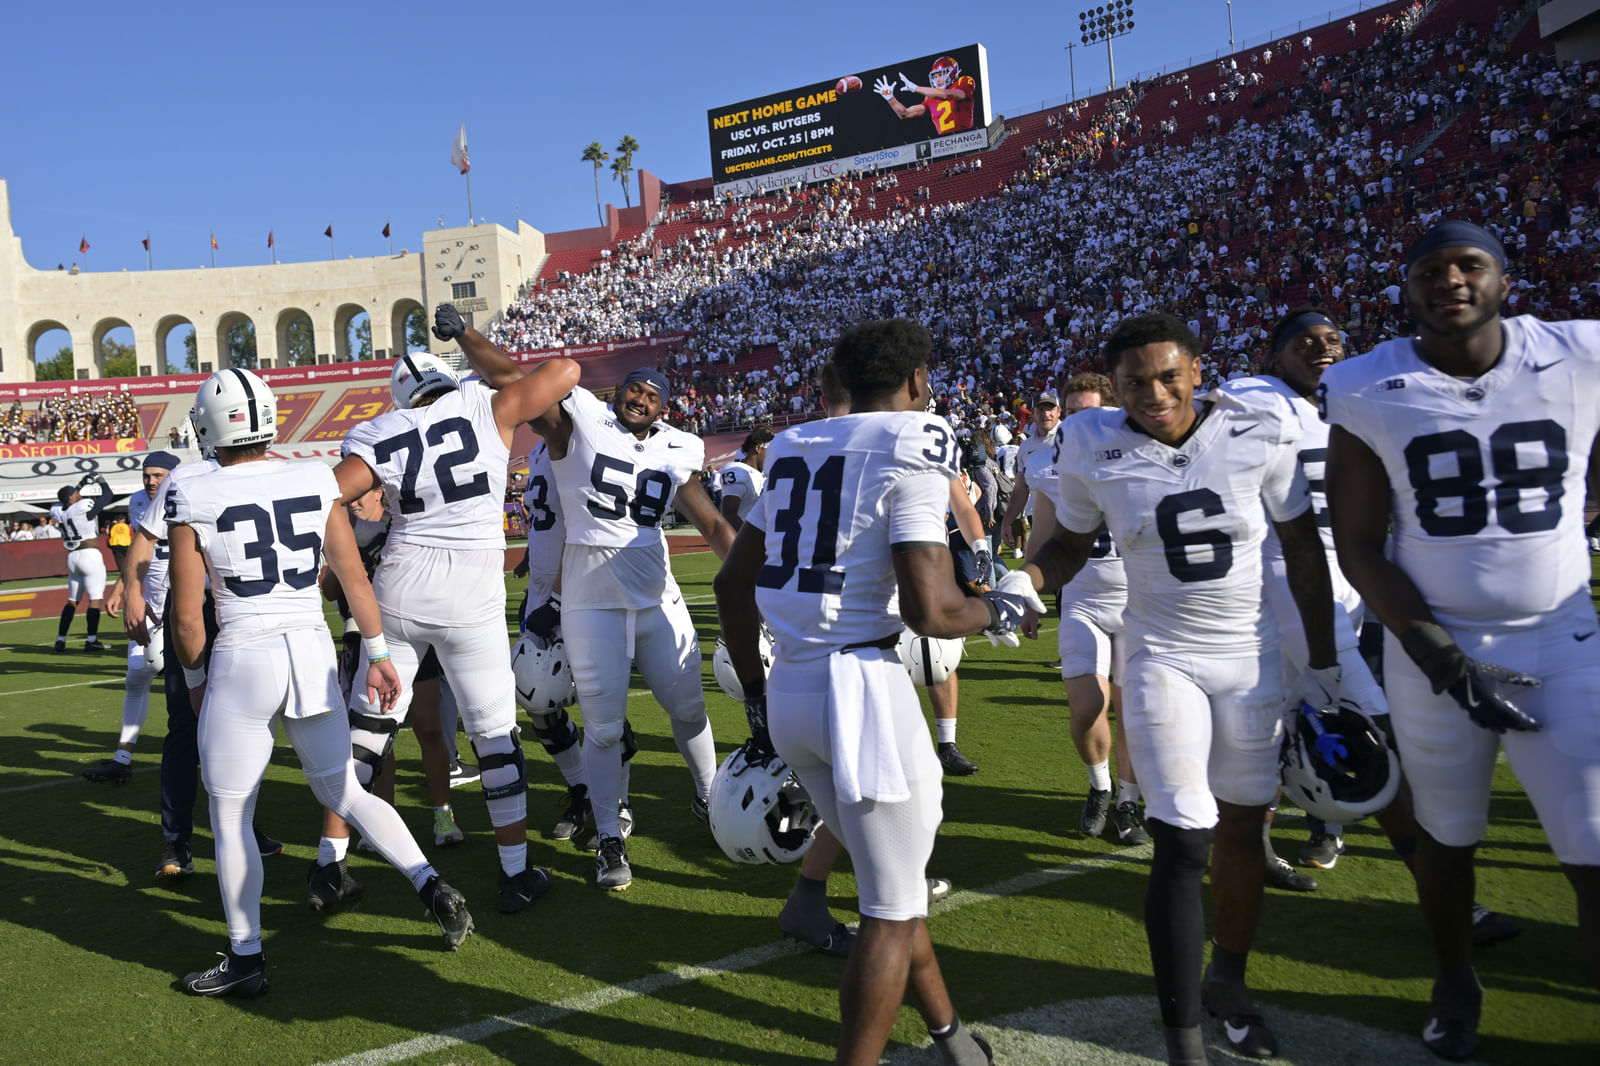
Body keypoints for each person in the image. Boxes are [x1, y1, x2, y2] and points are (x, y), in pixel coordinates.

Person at [716, 318, 1043, 1066]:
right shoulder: (917, 437)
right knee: (892, 907)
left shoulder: (796, 443)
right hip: (862, 690)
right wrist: (1000, 606)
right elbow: (931, 609)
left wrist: (762, 698)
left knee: (888, 880)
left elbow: (737, 582)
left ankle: (950, 1038)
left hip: (795, 684)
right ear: (918, 380)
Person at [1017, 313, 1341, 1065]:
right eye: (1135, 381)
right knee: (1183, 840)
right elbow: (1066, 544)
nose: (1154, 393)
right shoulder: (1093, 445)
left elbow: (1300, 546)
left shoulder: (1253, 428)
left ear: (1198, 370)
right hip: (1163, 656)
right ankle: (1182, 1038)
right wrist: (1023, 580)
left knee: (1244, 831)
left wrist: (1322, 665)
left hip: (1250, 658)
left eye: (1168, 376)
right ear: (1117, 385)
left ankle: (1228, 981)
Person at [1321, 221, 1600, 1062]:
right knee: (1447, 834)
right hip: (1431, 648)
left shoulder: (1579, 355)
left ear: (1504, 279)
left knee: (1592, 845)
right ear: (1407, 288)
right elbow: (1359, 541)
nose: (1451, 280)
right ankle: (1455, 976)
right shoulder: (1369, 385)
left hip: (1562, 639)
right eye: (1430, 269)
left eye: (1468, 264)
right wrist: (1441, 656)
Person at [167, 368, 472, 997]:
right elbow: (354, 577)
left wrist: (196, 679)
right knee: (343, 789)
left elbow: (189, 617)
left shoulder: (192, 492)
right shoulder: (312, 476)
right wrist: (381, 652)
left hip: (245, 656)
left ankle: (247, 959)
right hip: (309, 648)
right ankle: (430, 884)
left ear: (211, 426)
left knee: (230, 814)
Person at [440, 303, 737, 893]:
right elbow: (514, 381)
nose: (640, 400)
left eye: (652, 396)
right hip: (591, 599)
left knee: (689, 712)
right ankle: (608, 837)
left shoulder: (679, 448)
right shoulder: (580, 423)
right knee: (603, 728)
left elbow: (708, 522)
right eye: (633, 389)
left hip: (656, 599)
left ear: (664, 408)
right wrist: (468, 334)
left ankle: (710, 798)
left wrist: (753, 576)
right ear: (618, 391)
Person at [319, 347, 577, 915]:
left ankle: (328, 864)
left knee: (365, 732)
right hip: (472, 594)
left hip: (401, 586)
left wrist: (346, 563)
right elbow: (566, 373)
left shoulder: (379, 430)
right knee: (494, 736)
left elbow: (324, 497)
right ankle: (514, 873)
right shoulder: (484, 405)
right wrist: (486, 363)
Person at [1020, 373, 1147, 846]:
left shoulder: (1141, 456)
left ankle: (1129, 803)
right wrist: (1030, 594)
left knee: (1134, 710)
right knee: (1087, 707)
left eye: (1091, 412)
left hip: (1139, 605)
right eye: (1073, 414)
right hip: (1083, 600)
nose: (1080, 422)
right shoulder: (1053, 467)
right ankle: (1100, 787)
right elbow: (1042, 536)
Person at [83, 451, 180, 783]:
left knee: (190, 685)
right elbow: (139, 553)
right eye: (147, 475)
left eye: (158, 475)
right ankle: (122, 759)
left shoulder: (190, 494)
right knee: (136, 677)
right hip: (147, 603)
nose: (151, 481)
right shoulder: (139, 501)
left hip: (184, 605)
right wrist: (121, 588)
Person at [50, 474, 113, 653]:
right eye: (75, 493)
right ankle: (91, 640)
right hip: (89, 555)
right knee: (95, 599)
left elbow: (68, 500)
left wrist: (82, 484)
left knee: (72, 600)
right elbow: (107, 495)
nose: (79, 494)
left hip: (72, 557)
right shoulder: (82, 507)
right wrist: (100, 479)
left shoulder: (57, 510)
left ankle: (60, 639)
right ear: (71, 497)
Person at [999, 390, 1063, 560]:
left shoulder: (1073, 437)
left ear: (1059, 411)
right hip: (1040, 526)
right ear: (1033, 413)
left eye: (1050, 409)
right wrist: (1008, 520)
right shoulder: (1026, 448)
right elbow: (1020, 489)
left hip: (1072, 524)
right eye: (1040, 410)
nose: (1046, 414)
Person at [874, 56, 977, 135]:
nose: (937, 79)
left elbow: (948, 95)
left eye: (941, 74)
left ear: (952, 72)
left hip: (967, 138)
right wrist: (890, 98)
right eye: (935, 76)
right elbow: (905, 114)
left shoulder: (963, 81)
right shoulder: (930, 97)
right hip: (944, 144)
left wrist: (916, 88)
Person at [717, 425, 773, 531]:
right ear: (758, 448)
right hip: (747, 540)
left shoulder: (762, 475)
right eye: (770, 451)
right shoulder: (738, 471)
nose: (772, 456)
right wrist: (748, 542)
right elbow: (729, 514)